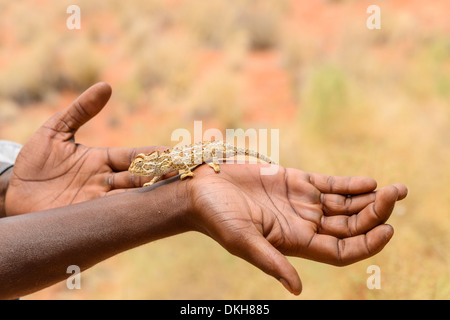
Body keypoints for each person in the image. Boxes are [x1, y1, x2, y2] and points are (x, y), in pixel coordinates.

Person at [0, 82, 407, 299]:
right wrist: (176, 199)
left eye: (148, 172)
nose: (142, 172)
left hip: (206, 156)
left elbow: (184, 165)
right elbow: (163, 177)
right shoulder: (158, 172)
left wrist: (9, 186)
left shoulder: (174, 165)